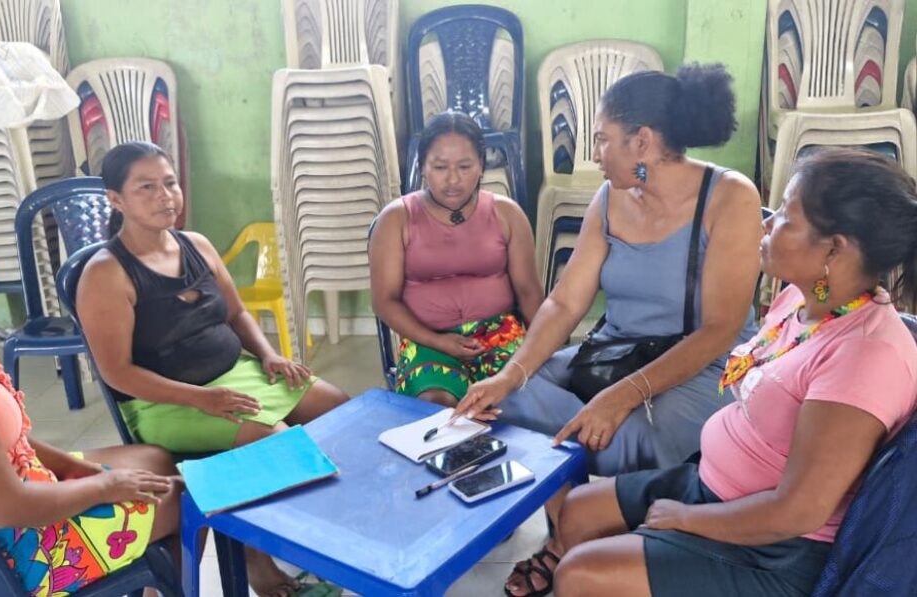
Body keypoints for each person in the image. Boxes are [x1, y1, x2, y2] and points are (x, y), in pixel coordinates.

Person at [550, 147, 917, 597]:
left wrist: (686, 520)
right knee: (577, 512)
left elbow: (798, 512)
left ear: (834, 248)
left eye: (786, 216)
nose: (768, 223)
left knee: (580, 576)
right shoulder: (802, 301)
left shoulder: (866, 357)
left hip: (775, 550)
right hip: (717, 486)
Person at [455, 64, 763, 597]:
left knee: (640, 432)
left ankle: (619, 548)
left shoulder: (729, 198)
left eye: (602, 139)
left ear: (641, 141)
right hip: (617, 353)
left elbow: (719, 330)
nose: (593, 152)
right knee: (506, 405)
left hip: (704, 365)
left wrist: (621, 397)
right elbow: (565, 301)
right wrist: (510, 374)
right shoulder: (609, 198)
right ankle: (568, 538)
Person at [77, 141, 349, 596]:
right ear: (115, 199)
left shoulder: (196, 245)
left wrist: (268, 355)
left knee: (337, 409)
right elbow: (117, 373)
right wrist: (203, 399)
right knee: (278, 442)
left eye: (170, 183)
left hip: (233, 373)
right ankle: (254, 558)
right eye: (146, 187)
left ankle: (310, 532)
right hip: (164, 401)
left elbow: (238, 315)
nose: (166, 196)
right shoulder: (106, 274)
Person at [0, 189, 181, 596]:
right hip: (13, 554)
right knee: (180, 498)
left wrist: (72, 468)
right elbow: (7, 508)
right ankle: (151, 581)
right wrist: (104, 487)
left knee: (155, 458)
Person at [369, 111, 543, 407]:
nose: (453, 179)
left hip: (502, 337)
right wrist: (438, 341)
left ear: (482, 166)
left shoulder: (507, 214)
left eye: (465, 166)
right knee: (437, 406)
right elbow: (384, 301)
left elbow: (529, 292)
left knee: (524, 404)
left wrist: (544, 350)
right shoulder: (396, 219)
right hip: (428, 343)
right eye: (440, 167)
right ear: (423, 166)